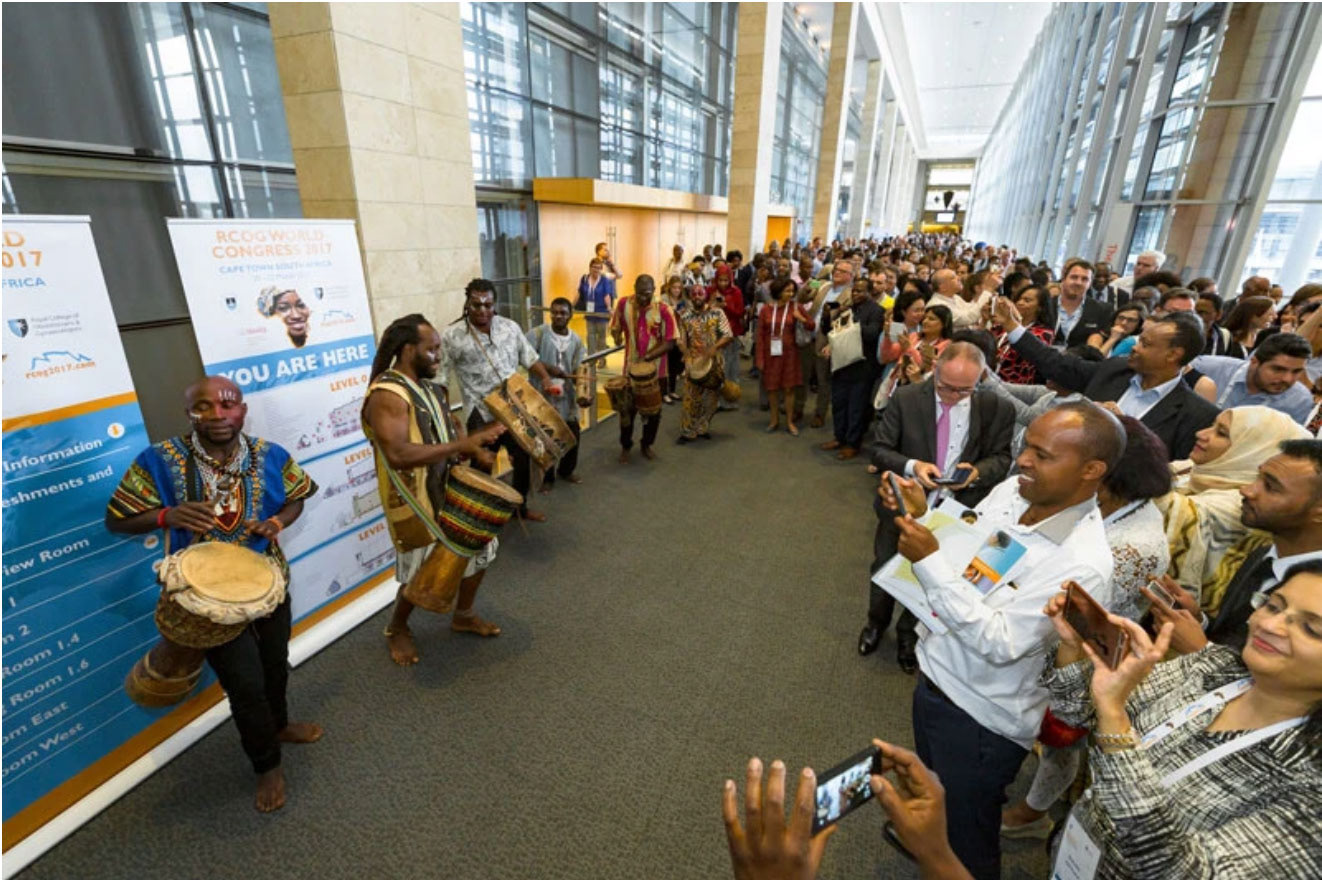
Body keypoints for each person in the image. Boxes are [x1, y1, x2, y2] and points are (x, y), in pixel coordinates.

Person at [881, 402, 1122, 879]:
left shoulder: (1083, 563)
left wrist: (927, 561)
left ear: (1091, 470)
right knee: (936, 798)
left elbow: (1001, 642)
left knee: (969, 846)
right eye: (1027, 446)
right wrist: (925, 517)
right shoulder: (1014, 491)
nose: (1023, 460)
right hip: (936, 675)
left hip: (980, 718)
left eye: (1043, 455)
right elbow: (969, 558)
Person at [106, 376, 321, 812]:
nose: (217, 415)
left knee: (275, 664)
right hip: (208, 602)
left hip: (267, 582)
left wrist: (276, 523)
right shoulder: (159, 460)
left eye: (228, 404)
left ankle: (279, 725)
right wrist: (167, 516)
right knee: (245, 684)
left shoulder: (270, 455)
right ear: (189, 413)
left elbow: (297, 497)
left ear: (243, 410)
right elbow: (117, 519)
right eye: (203, 406)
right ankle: (266, 765)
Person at [1041, 565, 1322, 879]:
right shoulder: (1218, 668)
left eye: (1311, 629)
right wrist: (1074, 646)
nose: (1270, 625)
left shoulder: (1310, 780)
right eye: (1273, 606)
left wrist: (1114, 720)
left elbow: (1181, 871)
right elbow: (1078, 711)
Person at [1000, 414, 1172, 838]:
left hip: (1085, 655)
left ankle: (1033, 812)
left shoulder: (1135, 545)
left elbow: (1078, 606)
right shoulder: (1106, 507)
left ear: (1101, 474)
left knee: (1063, 737)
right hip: (1057, 637)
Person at [363, 315, 508, 666]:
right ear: (407, 350)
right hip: (415, 498)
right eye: (432, 349)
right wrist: (464, 444)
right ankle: (397, 628)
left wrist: (471, 448)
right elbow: (398, 455)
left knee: (481, 547)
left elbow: (442, 437)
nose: (439, 356)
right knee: (422, 570)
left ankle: (464, 614)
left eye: (440, 348)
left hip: (446, 488)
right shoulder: (388, 394)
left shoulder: (429, 388)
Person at [863, 343, 1016, 674]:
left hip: (955, 516)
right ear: (935, 370)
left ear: (981, 379)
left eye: (964, 390)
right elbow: (880, 450)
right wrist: (913, 466)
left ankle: (908, 636)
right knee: (885, 566)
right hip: (901, 508)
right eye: (945, 387)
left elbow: (1002, 458)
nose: (952, 397)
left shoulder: (997, 408)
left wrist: (976, 473)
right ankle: (875, 623)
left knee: (933, 578)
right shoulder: (907, 398)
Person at [997, 301, 1219, 460]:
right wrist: (1012, 327)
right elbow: (1057, 363)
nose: (1135, 348)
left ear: (1173, 355)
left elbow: (1170, 475)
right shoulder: (1115, 370)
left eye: (1145, 344)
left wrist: (1124, 428)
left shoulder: (1196, 415)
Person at [1159, 406, 1311, 595]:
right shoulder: (1202, 469)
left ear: (1250, 452)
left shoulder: (1245, 503)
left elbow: (1169, 507)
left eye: (1221, 433)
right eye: (1212, 425)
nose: (1201, 434)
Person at [440, 279, 556, 522]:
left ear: (495, 304)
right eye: (476, 305)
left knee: (523, 459)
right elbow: (441, 379)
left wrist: (546, 379)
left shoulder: (510, 327)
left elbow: (530, 357)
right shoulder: (451, 336)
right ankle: (475, 518)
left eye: (488, 305)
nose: (482, 310)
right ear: (467, 304)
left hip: (514, 409)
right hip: (479, 414)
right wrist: (446, 413)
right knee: (482, 466)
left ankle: (519, 509)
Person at [609, 274, 677, 462]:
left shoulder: (664, 309)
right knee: (626, 412)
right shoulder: (624, 304)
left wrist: (647, 358)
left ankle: (646, 444)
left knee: (653, 413)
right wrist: (616, 335)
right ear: (634, 289)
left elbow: (670, 342)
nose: (642, 298)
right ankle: (626, 445)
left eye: (647, 294)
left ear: (654, 290)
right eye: (639, 293)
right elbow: (616, 328)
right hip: (629, 371)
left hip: (656, 372)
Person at [819, 280, 886, 460]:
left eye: (860, 291)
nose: (855, 294)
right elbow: (828, 331)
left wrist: (851, 323)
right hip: (841, 364)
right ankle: (839, 437)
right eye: (854, 290)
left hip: (862, 367)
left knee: (856, 407)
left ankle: (852, 443)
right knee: (839, 404)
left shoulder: (876, 311)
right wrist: (827, 315)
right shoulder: (846, 308)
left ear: (870, 292)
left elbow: (872, 334)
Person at [527, 298, 586, 488]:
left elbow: (578, 369)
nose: (558, 316)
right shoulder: (537, 334)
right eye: (554, 312)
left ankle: (566, 470)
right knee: (545, 436)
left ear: (570, 315)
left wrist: (583, 392)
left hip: (566, 398)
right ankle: (547, 477)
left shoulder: (576, 341)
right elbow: (525, 359)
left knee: (572, 433)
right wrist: (548, 369)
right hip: (542, 395)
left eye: (563, 313)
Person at [1189, 331, 1312, 422]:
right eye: (1278, 369)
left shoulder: (1299, 400)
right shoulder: (1207, 368)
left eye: (1296, 371)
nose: (1287, 379)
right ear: (1254, 362)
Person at [799, 261, 855, 428]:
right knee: (802, 376)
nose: (837, 272)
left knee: (823, 380)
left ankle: (819, 413)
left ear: (850, 276)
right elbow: (802, 298)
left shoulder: (851, 294)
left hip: (827, 341)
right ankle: (797, 408)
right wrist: (809, 284)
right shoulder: (823, 285)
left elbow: (845, 322)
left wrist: (832, 344)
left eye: (842, 271)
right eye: (836, 269)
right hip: (808, 335)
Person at [676, 282, 733, 444]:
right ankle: (687, 431)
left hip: (713, 362)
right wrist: (685, 352)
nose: (697, 297)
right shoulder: (684, 315)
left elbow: (728, 335)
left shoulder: (717, 313)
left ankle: (702, 428)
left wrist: (715, 347)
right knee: (690, 398)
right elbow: (680, 339)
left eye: (700, 293)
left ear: (706, 295)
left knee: (711, 399)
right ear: (690, 297)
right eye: (694, 294)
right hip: (693, 361)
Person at [757, 277, 813, 435]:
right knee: (772, 389)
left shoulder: (796, 307)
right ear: (778, 291)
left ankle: (789, 421)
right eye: (787, 291)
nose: (791, 294)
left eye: (792, 291)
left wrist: (801, 318)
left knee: (789, 389)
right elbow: (760, 335)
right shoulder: (766, 309)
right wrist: (759, 358)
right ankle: (774, 420)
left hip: (790, 355)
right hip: (771, 354)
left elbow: (811, 325)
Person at [991, 284, 1054, 385]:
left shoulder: (1043, 333)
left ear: (1040, 307)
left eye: (1027, 300)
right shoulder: (1002, 325)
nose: (1020, 303)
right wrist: (984, 321)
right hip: (991, 380)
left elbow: (1026, 358)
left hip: (1017, 385)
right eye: (1019, 299)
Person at [1050, 259, 1111, 349]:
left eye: (1085, 279)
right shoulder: (1046, 304)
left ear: (1090, 283)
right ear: (1063, 279)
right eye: (1074, 277)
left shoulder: (1102, 310)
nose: (1078, 283)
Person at [711, 264, 745, 409]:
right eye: (720, 280)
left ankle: (731, 398)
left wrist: (726, 306)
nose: (723, 283)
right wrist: (712, 304)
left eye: (726, 280)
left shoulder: (736, 292)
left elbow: (740, 313)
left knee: (731, 367)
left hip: (731, 334)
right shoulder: (711, 291)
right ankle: (716, 400)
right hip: (715, 334)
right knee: (716, 369)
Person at [576, 257, 615, 356]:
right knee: (590, 337)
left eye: (598, 268)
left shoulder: (604, 280)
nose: (596, 270)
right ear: (590, 267)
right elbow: (579, 293)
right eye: (594, 267)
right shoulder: (585, 279)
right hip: (589, 313)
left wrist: (609, 308)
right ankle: (591, 359)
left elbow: (606, 296)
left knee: (601, 338)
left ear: (601, 269)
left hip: (601, 313)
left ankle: (601, 358)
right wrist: (571, 305)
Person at [658, 275, 687, 404]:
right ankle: (664, 393)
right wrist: (671, 310)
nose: (677, 290)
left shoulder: (684, 300)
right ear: (669, 287)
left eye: (679, 288)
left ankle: (672, 390)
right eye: (674, 287)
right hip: (667, 335)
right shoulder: (663, 299)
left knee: (675, 365)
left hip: (679, 335)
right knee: (665, 365)